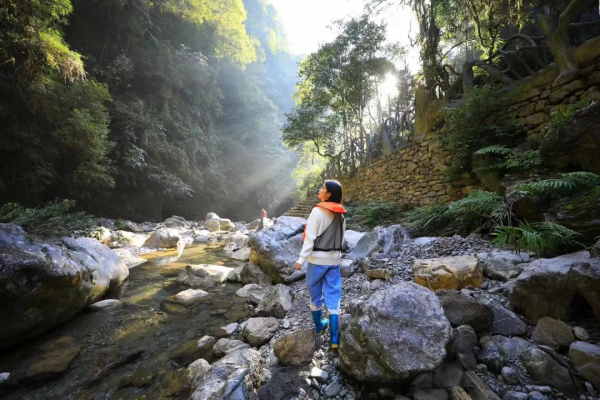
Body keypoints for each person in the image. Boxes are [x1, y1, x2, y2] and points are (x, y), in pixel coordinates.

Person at [294, 180, 346, 349]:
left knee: (315, 294)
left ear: (328, 194)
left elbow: (310, 239)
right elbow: (342, 239)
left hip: (316, 260)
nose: (320, 189)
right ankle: (334, 339)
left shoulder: (317, 211)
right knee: (333, 295)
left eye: (323, 188)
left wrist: (300, 260)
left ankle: (319, 326)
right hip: (334, 261)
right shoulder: (341, 215)